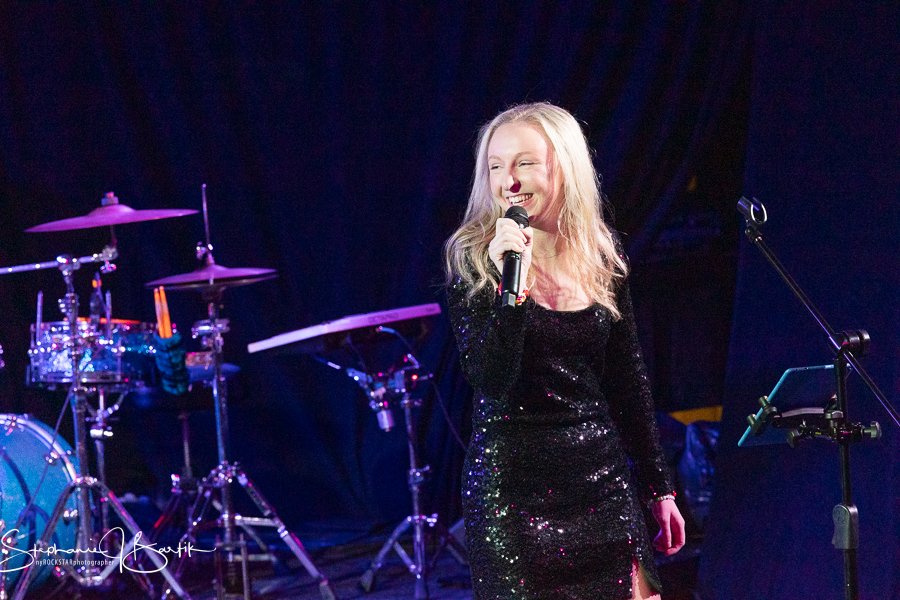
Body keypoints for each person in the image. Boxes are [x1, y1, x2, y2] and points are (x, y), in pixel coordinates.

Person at [443, 102, 685, 600]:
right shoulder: (474, 261)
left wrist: (659, 487)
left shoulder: (600, 256)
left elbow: (628, 379)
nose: (508, 181)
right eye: (495, 167)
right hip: (513, 498)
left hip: (601, 481)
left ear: (564, 165)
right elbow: (491, 377)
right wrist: (510, 290)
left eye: (525, 163)